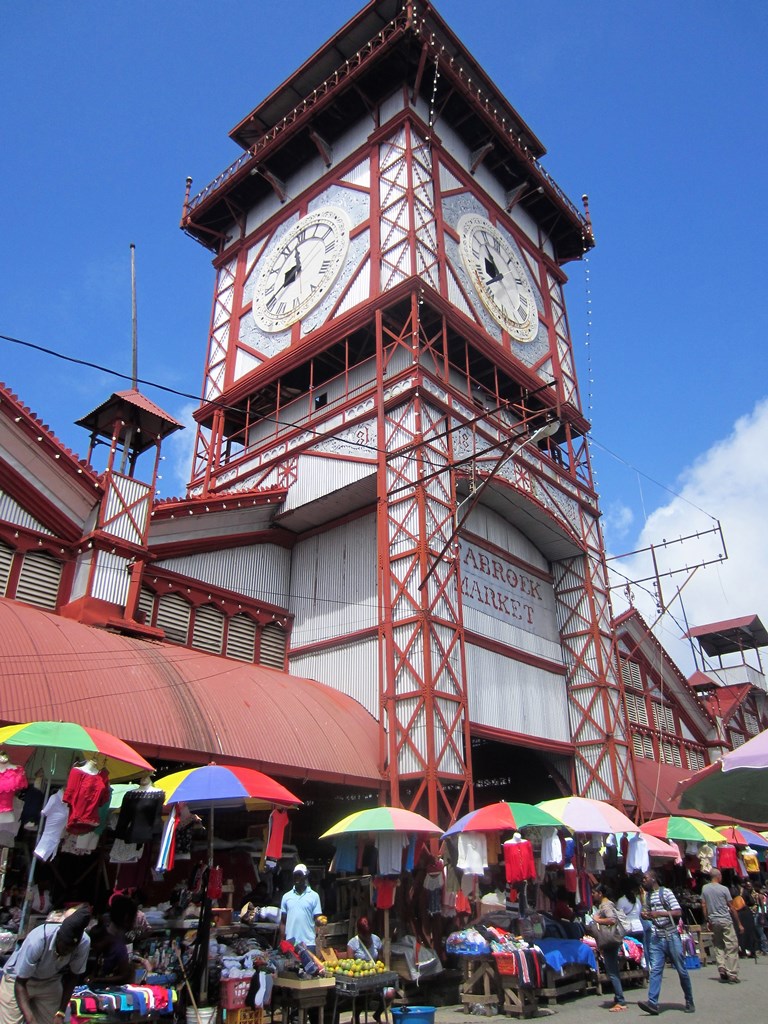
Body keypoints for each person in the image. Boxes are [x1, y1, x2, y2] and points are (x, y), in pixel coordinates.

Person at [0, 904, 91, 1024]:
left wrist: (61, 1012)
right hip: (17, 980)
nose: (66, 951)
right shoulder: (38, 940)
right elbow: (20, 983)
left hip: (49, 980)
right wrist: (30, 1019)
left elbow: (73, 977)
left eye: (71, 948)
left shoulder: (83, 943)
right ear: (58, 936)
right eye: (64, 946)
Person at [638, 871, 695, 1016]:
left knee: (681, 970)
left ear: (654, 878)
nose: (643, 881)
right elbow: (650, 913)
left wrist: (660, 914)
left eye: (645, 878)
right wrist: (647, 915)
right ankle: (652, 1002)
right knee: (656, 969)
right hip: (657, 936)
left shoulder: (666, 893)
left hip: (671, 935)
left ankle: (689, 1000)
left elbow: (678, 912)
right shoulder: (648, 896)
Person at [87, 894, 139, 987]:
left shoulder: (119, 939)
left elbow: (124, 973)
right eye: (134, 917)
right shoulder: (111, 938)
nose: (134, 921)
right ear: (126, 917)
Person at [591, 882, 627, 1012]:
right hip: (612, 940)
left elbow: (612, 920)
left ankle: (620, 1000)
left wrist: (598, 920)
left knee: (612, 971)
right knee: (613, 970)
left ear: (600, 894)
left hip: (610, 941)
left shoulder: (605, 905)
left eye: (594, 893)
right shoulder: (606, 904)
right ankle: (618, 998)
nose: (592, 895)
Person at [700, 869, 740, 983]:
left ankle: (721, 967)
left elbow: (703, 905)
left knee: (718, 944)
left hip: (714, 920)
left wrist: (707, 919)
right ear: (718, 876)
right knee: (731, 945)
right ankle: (732, 973)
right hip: (725, 920)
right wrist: (739, 923)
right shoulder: (724, 889)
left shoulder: (705, 888)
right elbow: (731, 907)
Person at [347, 918, 385, 1024]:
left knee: (390, 993)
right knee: (365, 992)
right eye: (365, 935)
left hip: (375, 977)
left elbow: (381, 960)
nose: (367, 937)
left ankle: (377, 1014)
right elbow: (350, 964)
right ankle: (356, 1016)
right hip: (361, 980)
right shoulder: (353, 943)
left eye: (369, 935)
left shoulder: (376, 940)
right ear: (359, 933)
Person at [279, 864, 323, 952]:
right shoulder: (286, 897)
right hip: (290, 943)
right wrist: (282, 941)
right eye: (295, 875)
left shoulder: (314, 896)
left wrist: (318, 937)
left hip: (308, 943)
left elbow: (318, 920)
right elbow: (283, 922)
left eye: (300, 875)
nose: (297, 877)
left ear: (305, 876)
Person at [617, 877, 648, 968]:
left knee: (631, 952)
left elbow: (619, 916)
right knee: (639, 950)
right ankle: (640, 975)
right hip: (639, 928)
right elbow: (638, 913)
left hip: (629, 929)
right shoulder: (637, 900)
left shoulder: (621, 900)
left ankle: (634, 976)